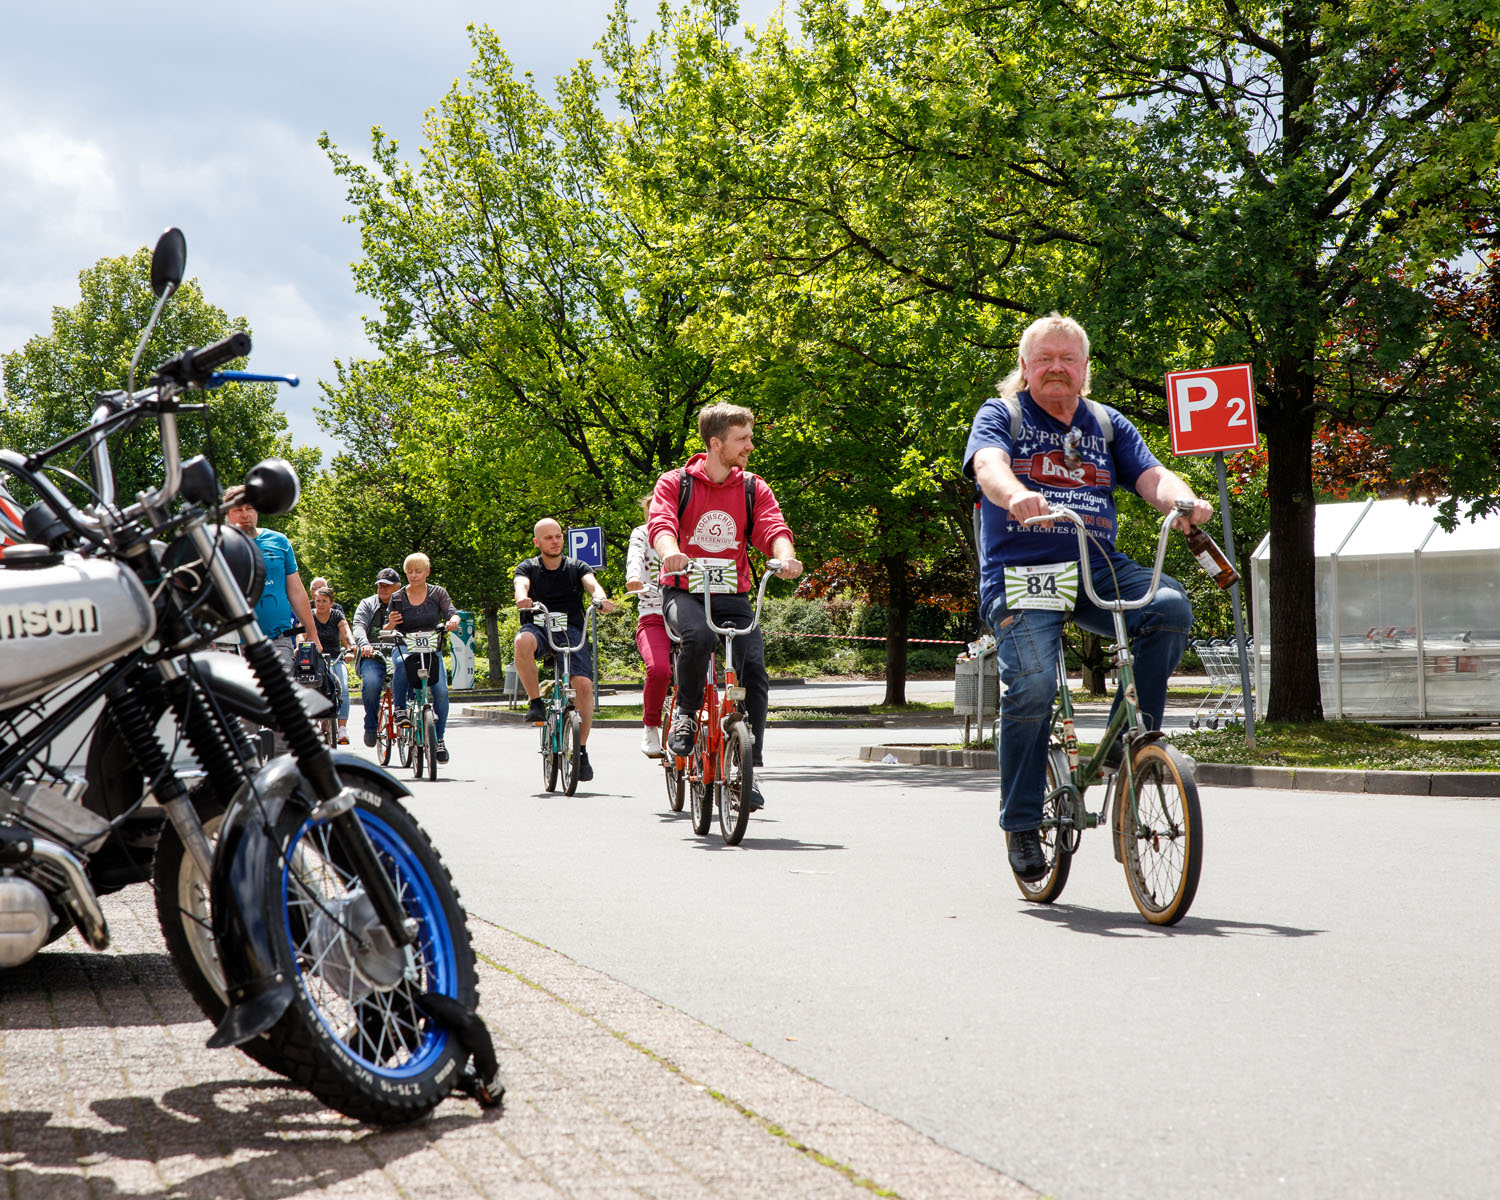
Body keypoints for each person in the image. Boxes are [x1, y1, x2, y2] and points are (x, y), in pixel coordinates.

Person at [962, 312, 1210, 882]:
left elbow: (1151, 476)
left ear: (1084, 369)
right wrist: (1017, 494)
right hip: (1024, 571)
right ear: (1025, 367)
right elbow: (988, 466)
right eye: (1044, 358)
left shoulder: (1105, 422)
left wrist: (1184, 500)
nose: (1055, 368)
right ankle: (1022, 821)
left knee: (1169, 607)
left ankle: (1135, 743)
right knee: (1031, 687)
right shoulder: (1004, 414)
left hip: (1097, 566)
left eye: (1066, 359)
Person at [648, 402, 802, 809]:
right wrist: (670, 551)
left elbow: (773, 527)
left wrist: (784, 556)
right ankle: (684, 713)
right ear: (716, 444)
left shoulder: (752, 487)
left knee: (754, 666)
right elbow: (661, 524)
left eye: (749, 438)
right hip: (685, 591)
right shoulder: (675, 483)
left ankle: (745, 765)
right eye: (742, 439)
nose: (750, 446)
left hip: (732, 594)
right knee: (697, 637)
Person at [513, 518, 617, 784]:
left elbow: (592, 583)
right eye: (548, 538)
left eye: (558, 536)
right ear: (538, 542)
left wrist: (600, 598)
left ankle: (581, 751)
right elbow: (521, 584)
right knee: (521, 642)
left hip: (570, 629)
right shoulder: (528, 567)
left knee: (583, 684)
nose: (555, 541)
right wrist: (521, 597)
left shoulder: (576, 566)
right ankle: (536, 702)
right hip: (539, 626)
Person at [222, 484, 316, 669]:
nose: (245, 514)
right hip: (231, 645)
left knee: (279, 696)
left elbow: (296, 591)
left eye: (249, 508)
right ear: (227, 515)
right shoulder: (216, 546)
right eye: (238, 510)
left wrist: (312, 634)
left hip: (277, 641)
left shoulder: (279, 541)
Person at [385, 553, 460, 765]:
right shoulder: (397, 597)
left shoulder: (438, 593)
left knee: (441, 692)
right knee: (400, 663)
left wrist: (453, 621)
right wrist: (390, 624)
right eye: (410, 571)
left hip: (431, 648)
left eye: (418, 571)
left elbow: (452, 613)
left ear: (427, 572)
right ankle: (400, 709)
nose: (414, 575)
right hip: (405, 646)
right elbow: (387, 628)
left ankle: (440, 739)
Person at [625, 499, 670, 758]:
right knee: (659, 670)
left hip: (688, 611)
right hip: (653, 613)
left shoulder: (685, 532)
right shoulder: (642, 533)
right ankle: (651, 726)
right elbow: (635, 557)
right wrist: (633, 578)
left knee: (704, 665)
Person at [351, 567, 402, 748]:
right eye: (380, 585)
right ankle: (371, 727)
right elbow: (358, 626)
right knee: (371, 683)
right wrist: (364, 644)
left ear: (398, 587)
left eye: (387, 586)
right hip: (373, 654)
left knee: (411, 679)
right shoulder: (367, 604)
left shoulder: (406, 603)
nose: (383, 589)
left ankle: (410, 719)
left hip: (400, 653)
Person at [310, 586, 356, 744]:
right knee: (310, 688)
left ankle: (342, 729)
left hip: (335, 658)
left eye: (324, 601)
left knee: (342, 687)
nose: (320, 604)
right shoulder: (310, 616)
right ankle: (313, 723)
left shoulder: (336, 615)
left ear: (331, 603)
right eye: (318, 601)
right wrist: (300, 645)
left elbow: (346, 632)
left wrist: (351, 646)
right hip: (315, 659)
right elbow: (301, 634)